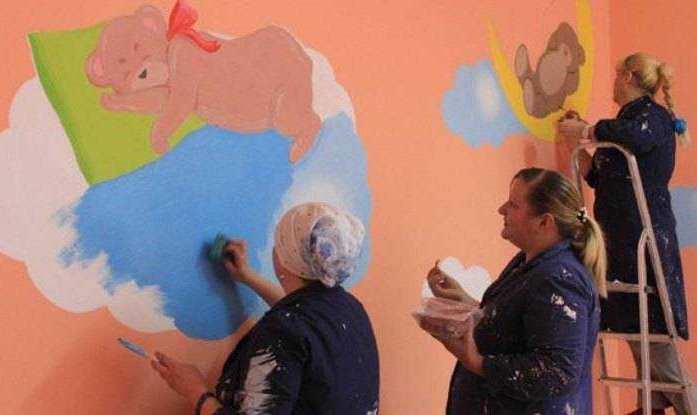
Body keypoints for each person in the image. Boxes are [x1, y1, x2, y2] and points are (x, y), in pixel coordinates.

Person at [558, 52, 695, 415]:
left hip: (645, 238)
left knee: (656, 331)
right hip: (619, 239)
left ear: (629, 77)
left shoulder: (653, 118)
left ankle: (678, 403)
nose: (613, 82)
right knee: (635, 325)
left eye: (617, 75)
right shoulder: (624, 123)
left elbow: (635, 137)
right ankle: (650, 404)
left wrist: (588, 130)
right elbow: (600, 178)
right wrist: (578, 145)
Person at [151, 202, 380, 414]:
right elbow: (303, 318)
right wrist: (248, 277)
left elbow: (293, 329)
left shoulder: (283, 332)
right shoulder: (350, 308)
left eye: (278, 242)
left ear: (285, 259)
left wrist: (196, 392)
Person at [419, 168, 606, 414]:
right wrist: (468, 304)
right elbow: (521, 327)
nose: (502, 210)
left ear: (544, 222)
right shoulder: (530, 263)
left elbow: (557, 372)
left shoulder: (559, 280)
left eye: (514, 205)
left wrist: (477, 362)